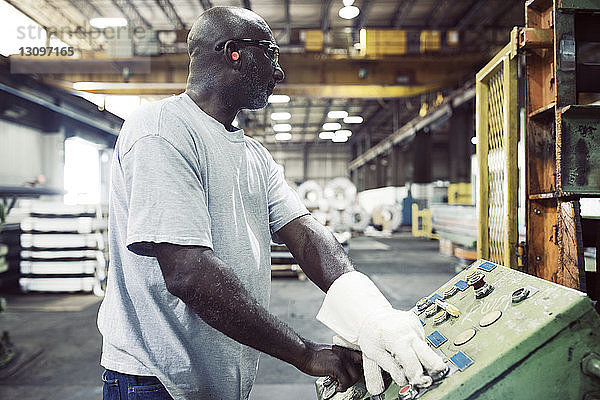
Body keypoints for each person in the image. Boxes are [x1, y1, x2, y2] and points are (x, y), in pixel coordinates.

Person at [97, 6, 446, 400]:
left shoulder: (253, 155)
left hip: (220, 383)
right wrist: (305, 353)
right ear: (233, 52)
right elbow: (188, 272)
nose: (278, 72)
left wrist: (373, 317)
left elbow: (306, 234)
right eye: (270, 52)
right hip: (156, 382)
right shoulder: (160, 130)